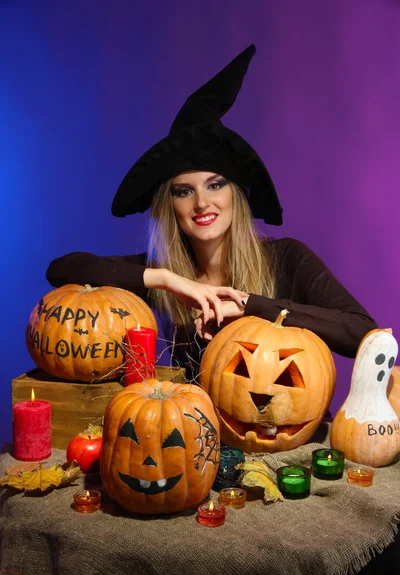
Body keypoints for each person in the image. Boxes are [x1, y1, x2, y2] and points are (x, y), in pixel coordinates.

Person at [46, 44, 377, 381]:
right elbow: (62, 270)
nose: (201, 203)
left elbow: (362, 332)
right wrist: (169, 281)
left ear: (236, 195)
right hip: (194, 430)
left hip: (290, 429)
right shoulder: (166, 277)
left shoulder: (287, 259)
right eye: (184, 191)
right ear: (170, 205)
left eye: (215, 184)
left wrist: (250, 306)